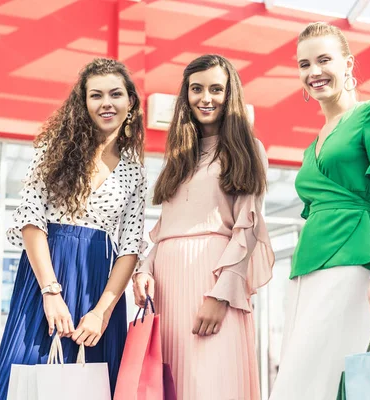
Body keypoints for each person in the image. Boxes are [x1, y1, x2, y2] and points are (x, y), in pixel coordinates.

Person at [0, 58, 147, 399]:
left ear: (130, 102)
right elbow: (31, 219)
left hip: (99, 286)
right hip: (46, 277)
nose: (106, 103)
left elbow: (131, 246)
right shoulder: (51, 152)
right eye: (96, 95)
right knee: (27, 377)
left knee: (94, 383)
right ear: (83, 102)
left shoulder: (136, 173)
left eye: (116, 94)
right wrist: (50, 293)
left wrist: (102, 313)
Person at [269, 22, 370, 400]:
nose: (313, 72)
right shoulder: (311, 145)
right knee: (298, 383)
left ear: (348, 64)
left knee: (319, 383)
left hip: (351, 263)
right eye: (304, 64)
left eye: (324, 60)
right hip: (303, 272)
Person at [133, 54, 274, 400]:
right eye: (196, 89)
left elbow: (248, 228)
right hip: (166, 288)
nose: (205, 98)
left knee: (211, 384)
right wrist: (144, 268)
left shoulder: (247, 149)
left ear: (231, 95)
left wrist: (220, 294)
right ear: (186, 95)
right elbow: (165, 229)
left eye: (216, 89)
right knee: (172, 385)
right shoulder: (179, 156)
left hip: (211, 282)